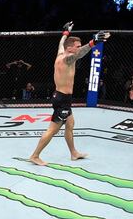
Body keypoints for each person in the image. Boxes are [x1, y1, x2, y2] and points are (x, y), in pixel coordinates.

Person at [28, 22, 110, 166]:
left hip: (62, 98)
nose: (78, 49)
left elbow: (61, 44)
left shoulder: (61, 53)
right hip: (62, 100)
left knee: (70, 124)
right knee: (53, 130)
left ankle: (73, 153)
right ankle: (35, 155)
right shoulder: (67, 59)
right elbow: (81, 53)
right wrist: (93, 42)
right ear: (70, 48)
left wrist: (65, 33)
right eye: (77, 47)